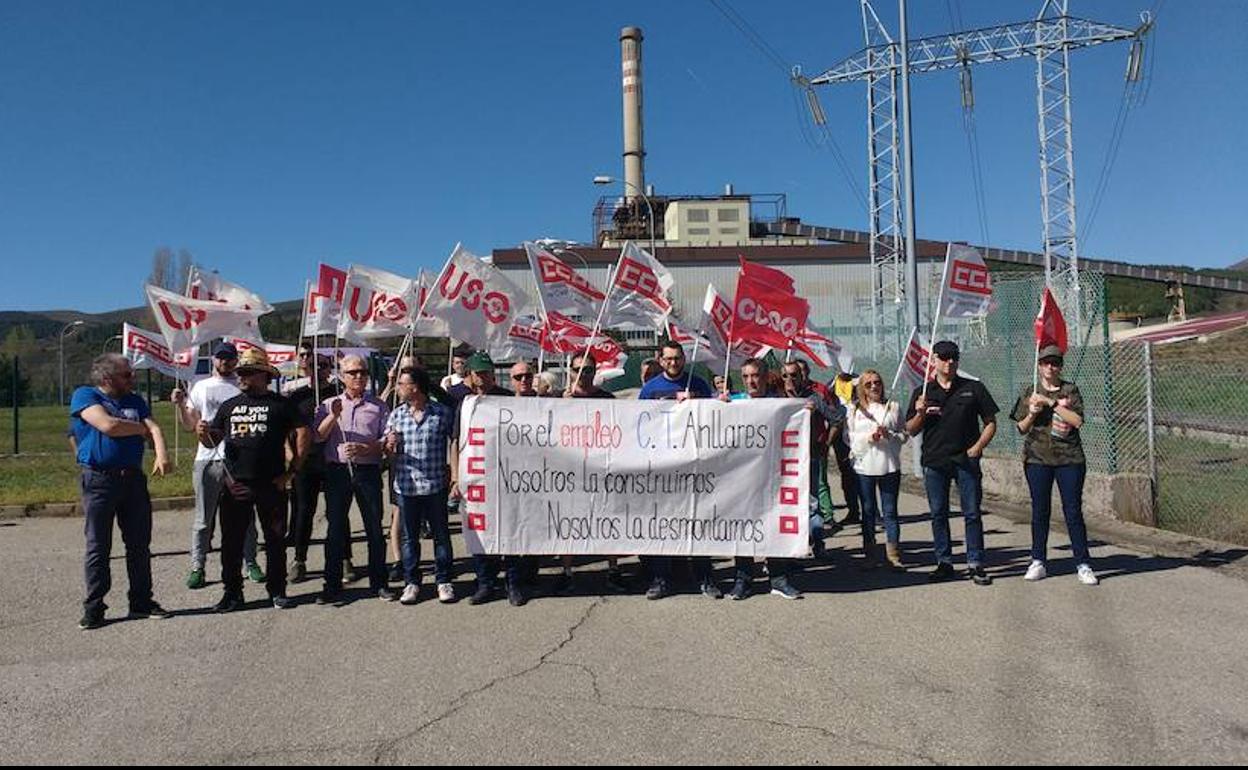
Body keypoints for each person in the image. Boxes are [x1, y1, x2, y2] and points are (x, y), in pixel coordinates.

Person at [199, 348, 309, 611]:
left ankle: (277, 590)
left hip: (271, 483)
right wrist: (202, 433)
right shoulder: (230, 406)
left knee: (274, 540)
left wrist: (291, 472)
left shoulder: (281, 404)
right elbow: (213, 439)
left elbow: (304, 433)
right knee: (232, 543)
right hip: (236, 483)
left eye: (248, 372)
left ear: (264, 375)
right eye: (240, 372)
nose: (242, 377)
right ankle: (232, 593)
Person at [71, 353, 172, 629]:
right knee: (98, 546)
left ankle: (141, 601)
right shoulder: (86, 396)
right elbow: (108, 425)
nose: (133, 379)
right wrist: (140, 429)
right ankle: (94, 606)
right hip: (100, 481)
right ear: (108, 378)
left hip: (133, 480)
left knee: (139, 544)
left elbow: (155, 429)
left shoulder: (135, 401)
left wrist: (160, 453)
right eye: (127, 375)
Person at [905, 340, 999, 586]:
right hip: (935, 461)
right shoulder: (922, 392)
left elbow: (990, 422)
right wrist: (920, 413)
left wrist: (978, 447)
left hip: (965, 461)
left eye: (954, 357)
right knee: (938, 514)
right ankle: (944, 562)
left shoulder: (973, 388)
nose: (950, 362)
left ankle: (975, 563)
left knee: (972, 513)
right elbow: (911, 430)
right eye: (945, 357)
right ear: (934, 360)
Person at [172, 341, 262, 590]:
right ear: (214, 360)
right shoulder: (200, 387)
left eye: (229, 358)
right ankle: (197, 566)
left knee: (247, 516)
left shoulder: (241, 387)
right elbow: (191, 424)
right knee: (203, 518)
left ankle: (251, 562)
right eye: (220, 358)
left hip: (238, 461)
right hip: (207, 459)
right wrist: (181, 405)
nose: (225, 362)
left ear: (236, 361)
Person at [638, 340, 719, 600]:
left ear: (684, 358)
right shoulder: (650, 389)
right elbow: (638, 425)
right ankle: (660, 580)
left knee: (698, 522)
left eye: (678, 358)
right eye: (669, 359)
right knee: (662, 524)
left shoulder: (698, 384)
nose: (674, 363)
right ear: (660, 360)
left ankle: (706, 579)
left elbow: (714, 418)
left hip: (694, 465)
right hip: (661, 466)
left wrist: (701, 401)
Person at [454, 352, 535, 607]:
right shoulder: (465, 404)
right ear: (471, 374)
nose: (483, 377)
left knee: (509, 529)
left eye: (487, 372)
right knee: (479, 531)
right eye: (479, 372)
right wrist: (456, 477)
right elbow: (456, 442)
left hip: (507, 477)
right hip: (477, 477)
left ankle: (513, 584)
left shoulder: (508, 399)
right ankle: (485, 583)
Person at [1012, 345, 1098, 586]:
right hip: (1037, 459)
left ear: (1060, 367)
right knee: (1040, 510)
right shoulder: (1030, 390)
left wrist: (1051, 403)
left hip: (1069, 459)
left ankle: (1083, 563)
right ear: (1039, 366)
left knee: (1072, 511)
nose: (1051, 367)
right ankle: (1038, 560)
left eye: (1055, 363)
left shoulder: (1070, 390)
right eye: (1046, 362)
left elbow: (1077, 420)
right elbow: (1020, 427)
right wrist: (1031, 412)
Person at [315, 354, 393, 604]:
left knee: (374, 528)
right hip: (338, 472)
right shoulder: (329, 403)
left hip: (368, 472)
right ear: (341, 376)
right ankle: (332, 584)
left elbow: (387, 441)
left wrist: (366, 448)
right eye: (352, 373)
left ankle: (379, 583)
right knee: (335, 530)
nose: (358, 376)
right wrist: (333, 416)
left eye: (362, 372)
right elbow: (317, 437)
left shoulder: (379, 406)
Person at [722, 357, 802, 600]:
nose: (750, 381)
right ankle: (743, 580)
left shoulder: (779, 404)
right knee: (743, 529)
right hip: (741, 480)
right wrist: (717, 405)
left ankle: (778, 579)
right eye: (745, 376)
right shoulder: (733, 402)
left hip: (771, 479)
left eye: (755, 375)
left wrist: (803, 411)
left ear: (765, 377)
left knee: (773, 526)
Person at [552, 352, 628, 595]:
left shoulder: (608, 399)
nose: (583, 374)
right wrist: (560, 407)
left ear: (595, 373)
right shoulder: (559, 400)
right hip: (571, 473)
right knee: (568, 523)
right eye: (578, 370)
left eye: (588, 370)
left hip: (602, 471)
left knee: (608, 520)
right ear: (570, 372)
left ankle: (613, 570)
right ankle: (566, 572)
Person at [384, 367, 458, 604]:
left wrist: (454, 474)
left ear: (414, 387)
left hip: (435, 485)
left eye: (402, 384)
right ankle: (412, 582)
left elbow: (456, 440)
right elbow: (387, 447)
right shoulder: (396, 415)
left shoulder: (441, 413)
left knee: (441, 535)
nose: (399, 388)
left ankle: (444, 580)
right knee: (409, 538)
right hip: (406, 486)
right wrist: (389, 444)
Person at [283, 348, 342, 583]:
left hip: (332, 458)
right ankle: (299, 559)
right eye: (314, 365)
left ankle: (344, 558)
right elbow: (286, 428)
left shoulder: (338, 393)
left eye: (324, 365)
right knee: (303, 512)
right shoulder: (296, 396)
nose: (319, 370)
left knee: (337, 513)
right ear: (305, 368)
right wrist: (289, 453)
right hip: (305, 460)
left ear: (330, 369)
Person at [845, 369, 907, 570]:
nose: (874, 386)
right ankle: (870, 554)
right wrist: (868, 439)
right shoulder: (853, 410)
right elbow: (849, 438)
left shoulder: (893, 407)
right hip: (864, 468)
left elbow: (903, 435)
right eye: (869, 384)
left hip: (889, 466)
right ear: (862, 387)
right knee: (868, 511)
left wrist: (889, 435)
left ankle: (893, 554)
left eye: (877, 382)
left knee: (890, 512)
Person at [782, 360, 844, 560]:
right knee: (785, 504)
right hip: (782, 461)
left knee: (812, 503)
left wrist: (825, 443)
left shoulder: (813, 399)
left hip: (810, 457)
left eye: (794, 375)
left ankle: (818, 543)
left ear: (802, 377)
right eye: (786, 376)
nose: (790, 379)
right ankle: (790, 548)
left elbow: (837, 418)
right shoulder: (776, 399)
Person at [829, 370, 862, 526]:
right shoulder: (832, 384)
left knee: (863, 476)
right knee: (847, 476)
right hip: (841, 438)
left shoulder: (860, 381)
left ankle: (871, 511)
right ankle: (853, 511)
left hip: (860, 436)